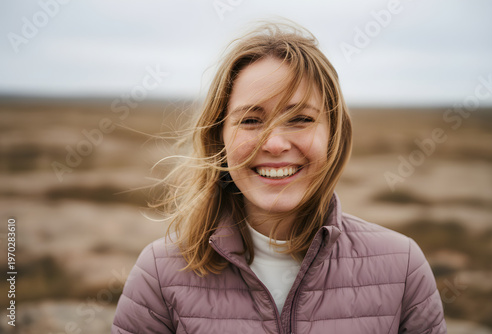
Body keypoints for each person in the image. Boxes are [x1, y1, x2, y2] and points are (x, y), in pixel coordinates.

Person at [112, 21, 446, 333]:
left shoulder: (402, 267)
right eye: (251, 120)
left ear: (334, 135)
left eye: (300, 118)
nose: (274, 144)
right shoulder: (159, 273)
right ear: (220, 138)